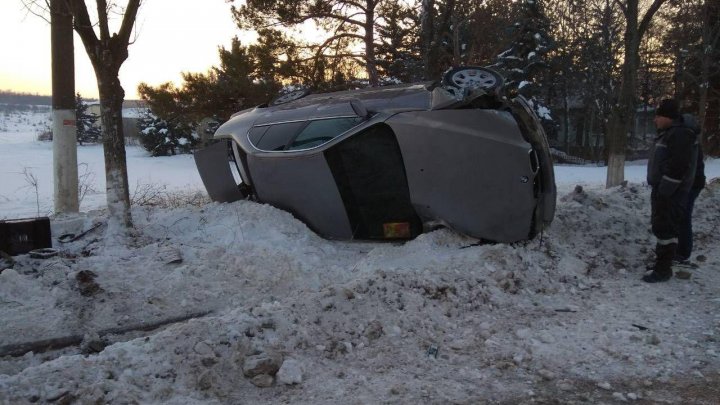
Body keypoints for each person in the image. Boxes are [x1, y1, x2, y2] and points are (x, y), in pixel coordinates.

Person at [644, 99, 698, 283]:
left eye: (658, 116)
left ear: (667, 117)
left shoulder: (679, 134)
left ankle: (663, 270)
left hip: (670, 192)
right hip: (665, 190)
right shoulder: (669, 133)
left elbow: (679, 165)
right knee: (663, 228)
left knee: (665, 228)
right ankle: (662, 264)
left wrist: (665, 190)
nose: (655, 120)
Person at [676, 113, 706, 263]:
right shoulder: (690, 138)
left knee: (684, 217)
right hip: (693, 183)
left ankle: (682, 252)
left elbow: (690, 167)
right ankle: (680, 250)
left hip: (691, 185)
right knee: (681, 216)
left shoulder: (689, 139)